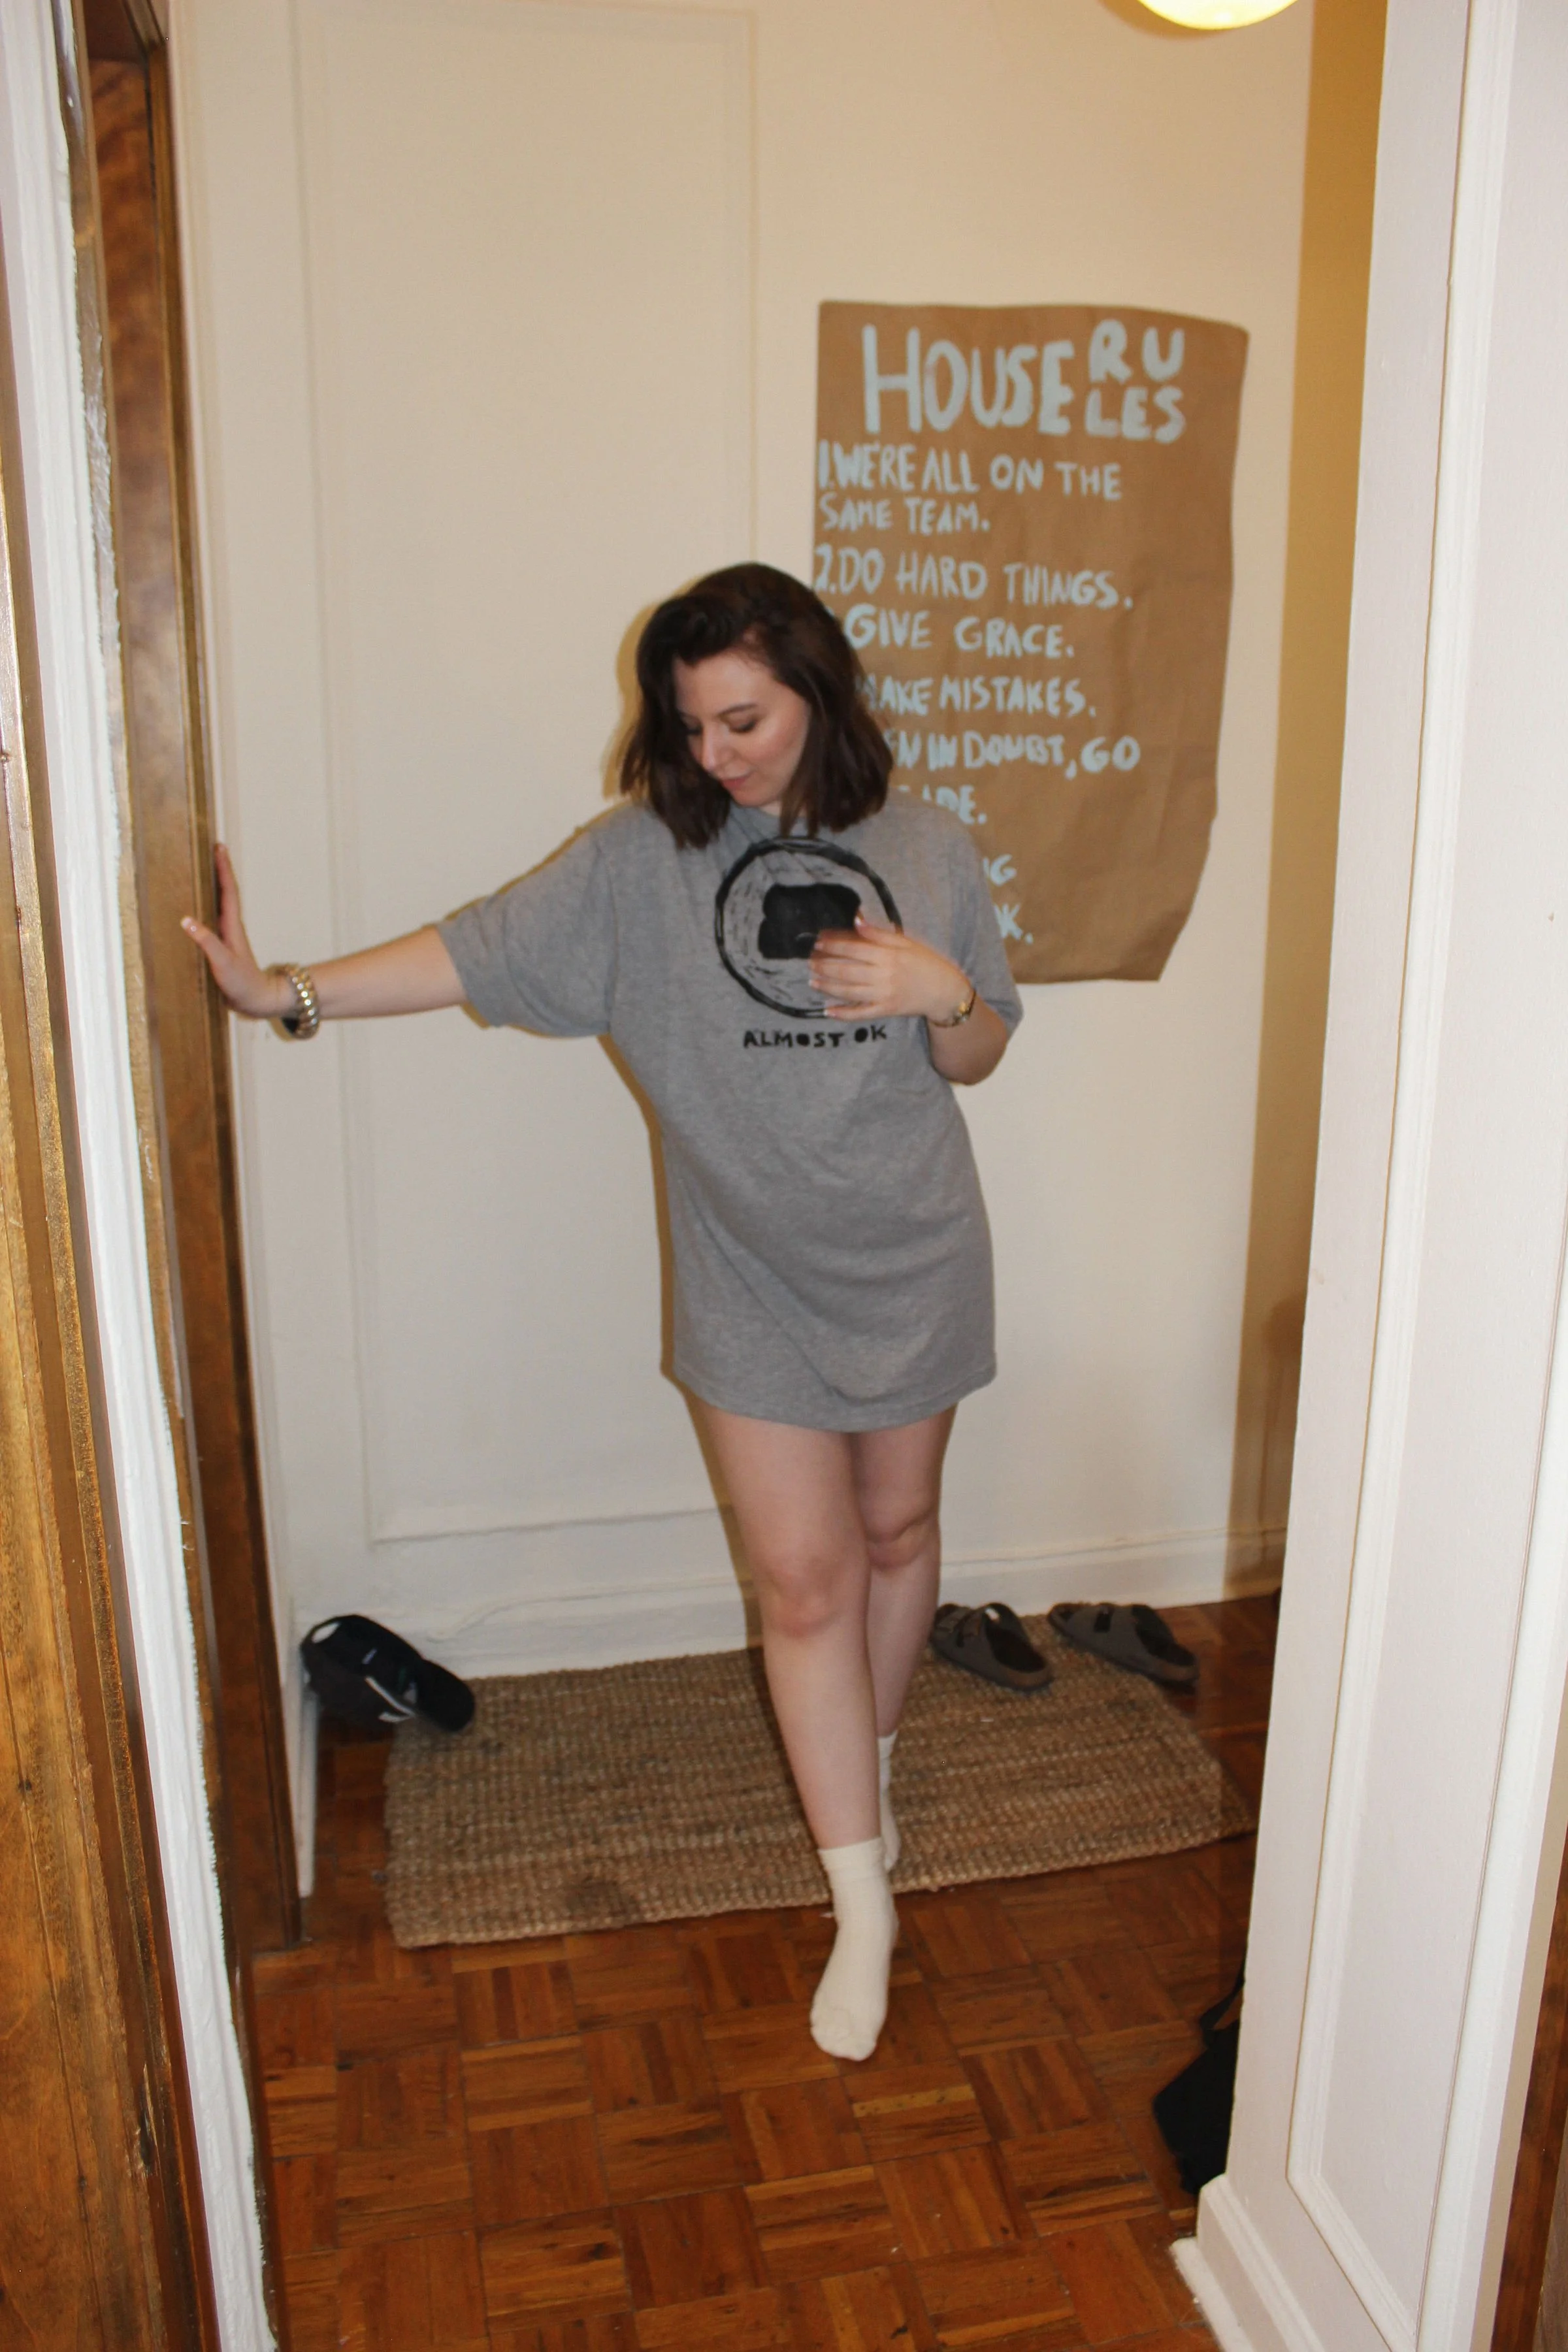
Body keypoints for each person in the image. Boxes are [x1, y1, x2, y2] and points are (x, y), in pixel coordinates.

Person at [187, 563, 1021, 2059]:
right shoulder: (642, 863)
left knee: (899, 1537)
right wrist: (285, 996)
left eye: (746, 719)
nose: (718, 756)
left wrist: (941, 987)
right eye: (693, 726)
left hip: (913, 1256)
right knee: (808, 1583)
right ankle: (863, 1905)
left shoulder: (930, 846)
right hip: (749, 1276)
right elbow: (479, 951)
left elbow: (979, 1057)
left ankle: (871, 1777)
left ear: (820, 692)